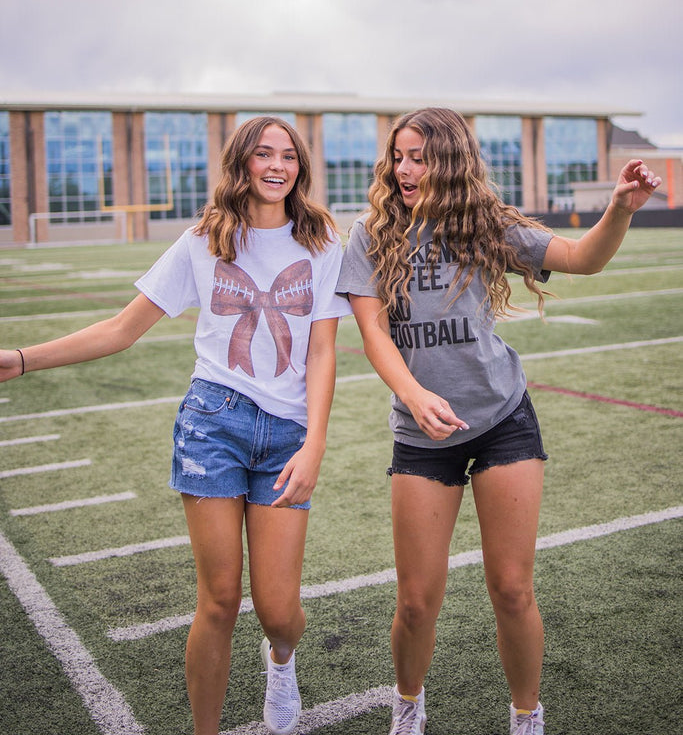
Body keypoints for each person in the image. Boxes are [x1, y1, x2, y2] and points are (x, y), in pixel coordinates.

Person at [0, 115, 351, 735]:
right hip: (211, 423)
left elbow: (322, 352)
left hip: (287, 435)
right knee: (217, 601)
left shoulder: (321, 242)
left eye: (289, 156)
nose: (277, 166)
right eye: (264, 154)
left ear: (301, 167)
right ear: (241, 162)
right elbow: (121, 329)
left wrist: (316, 442)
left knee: (278, 611)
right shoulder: (204, 240)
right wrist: (24, 359)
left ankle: (282, 659)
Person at [336, 107, 661, 735]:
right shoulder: (371, 234)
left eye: (419, 158)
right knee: (415, 602)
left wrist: (620, 206)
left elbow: (582, 258)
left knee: (511, 589)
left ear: (450, 162)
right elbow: (373, 333)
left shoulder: (485, 225)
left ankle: (526, 717)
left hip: (503, 419)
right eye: (398, 156)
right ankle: (407, 710)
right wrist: (413, 393)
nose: (404, 169)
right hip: (422, 432)